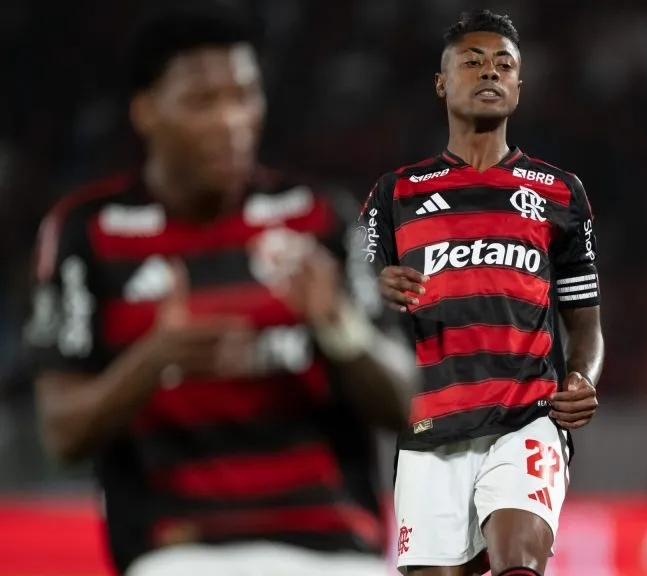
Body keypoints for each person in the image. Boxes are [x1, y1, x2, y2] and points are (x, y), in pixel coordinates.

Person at [23, 4, 417, 575]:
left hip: (333, 550)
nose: (231, 120)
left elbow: (406, 403)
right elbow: (62, 434)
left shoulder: (317, 218)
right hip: (181, 551)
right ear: (145, 111)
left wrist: (338, 325)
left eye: (244, 96)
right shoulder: (88, 233)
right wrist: (154, 359)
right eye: (202, 102)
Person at [356, 10, 604, 576]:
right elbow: (351, 305)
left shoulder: (560, 193)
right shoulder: (395, 194)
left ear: (519, 87)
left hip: (527, 416)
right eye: (472, 62)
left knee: (519, 565)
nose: (490, 72)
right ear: (441, 83)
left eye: (504, 64)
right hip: (429, 427)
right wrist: (374, 288)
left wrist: (583, 377)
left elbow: (585, 321)